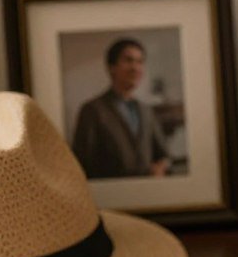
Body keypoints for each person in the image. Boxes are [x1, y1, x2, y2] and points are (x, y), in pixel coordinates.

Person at [71, 38, 170, 180]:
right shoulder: (92, 110)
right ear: (112, 67)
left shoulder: (146, 110)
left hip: (146, 190)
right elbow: (81, 164)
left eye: (140, 62)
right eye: (128, 60)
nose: (135, 67)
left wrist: (160, 168)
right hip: (111, 192)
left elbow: (163, 155)